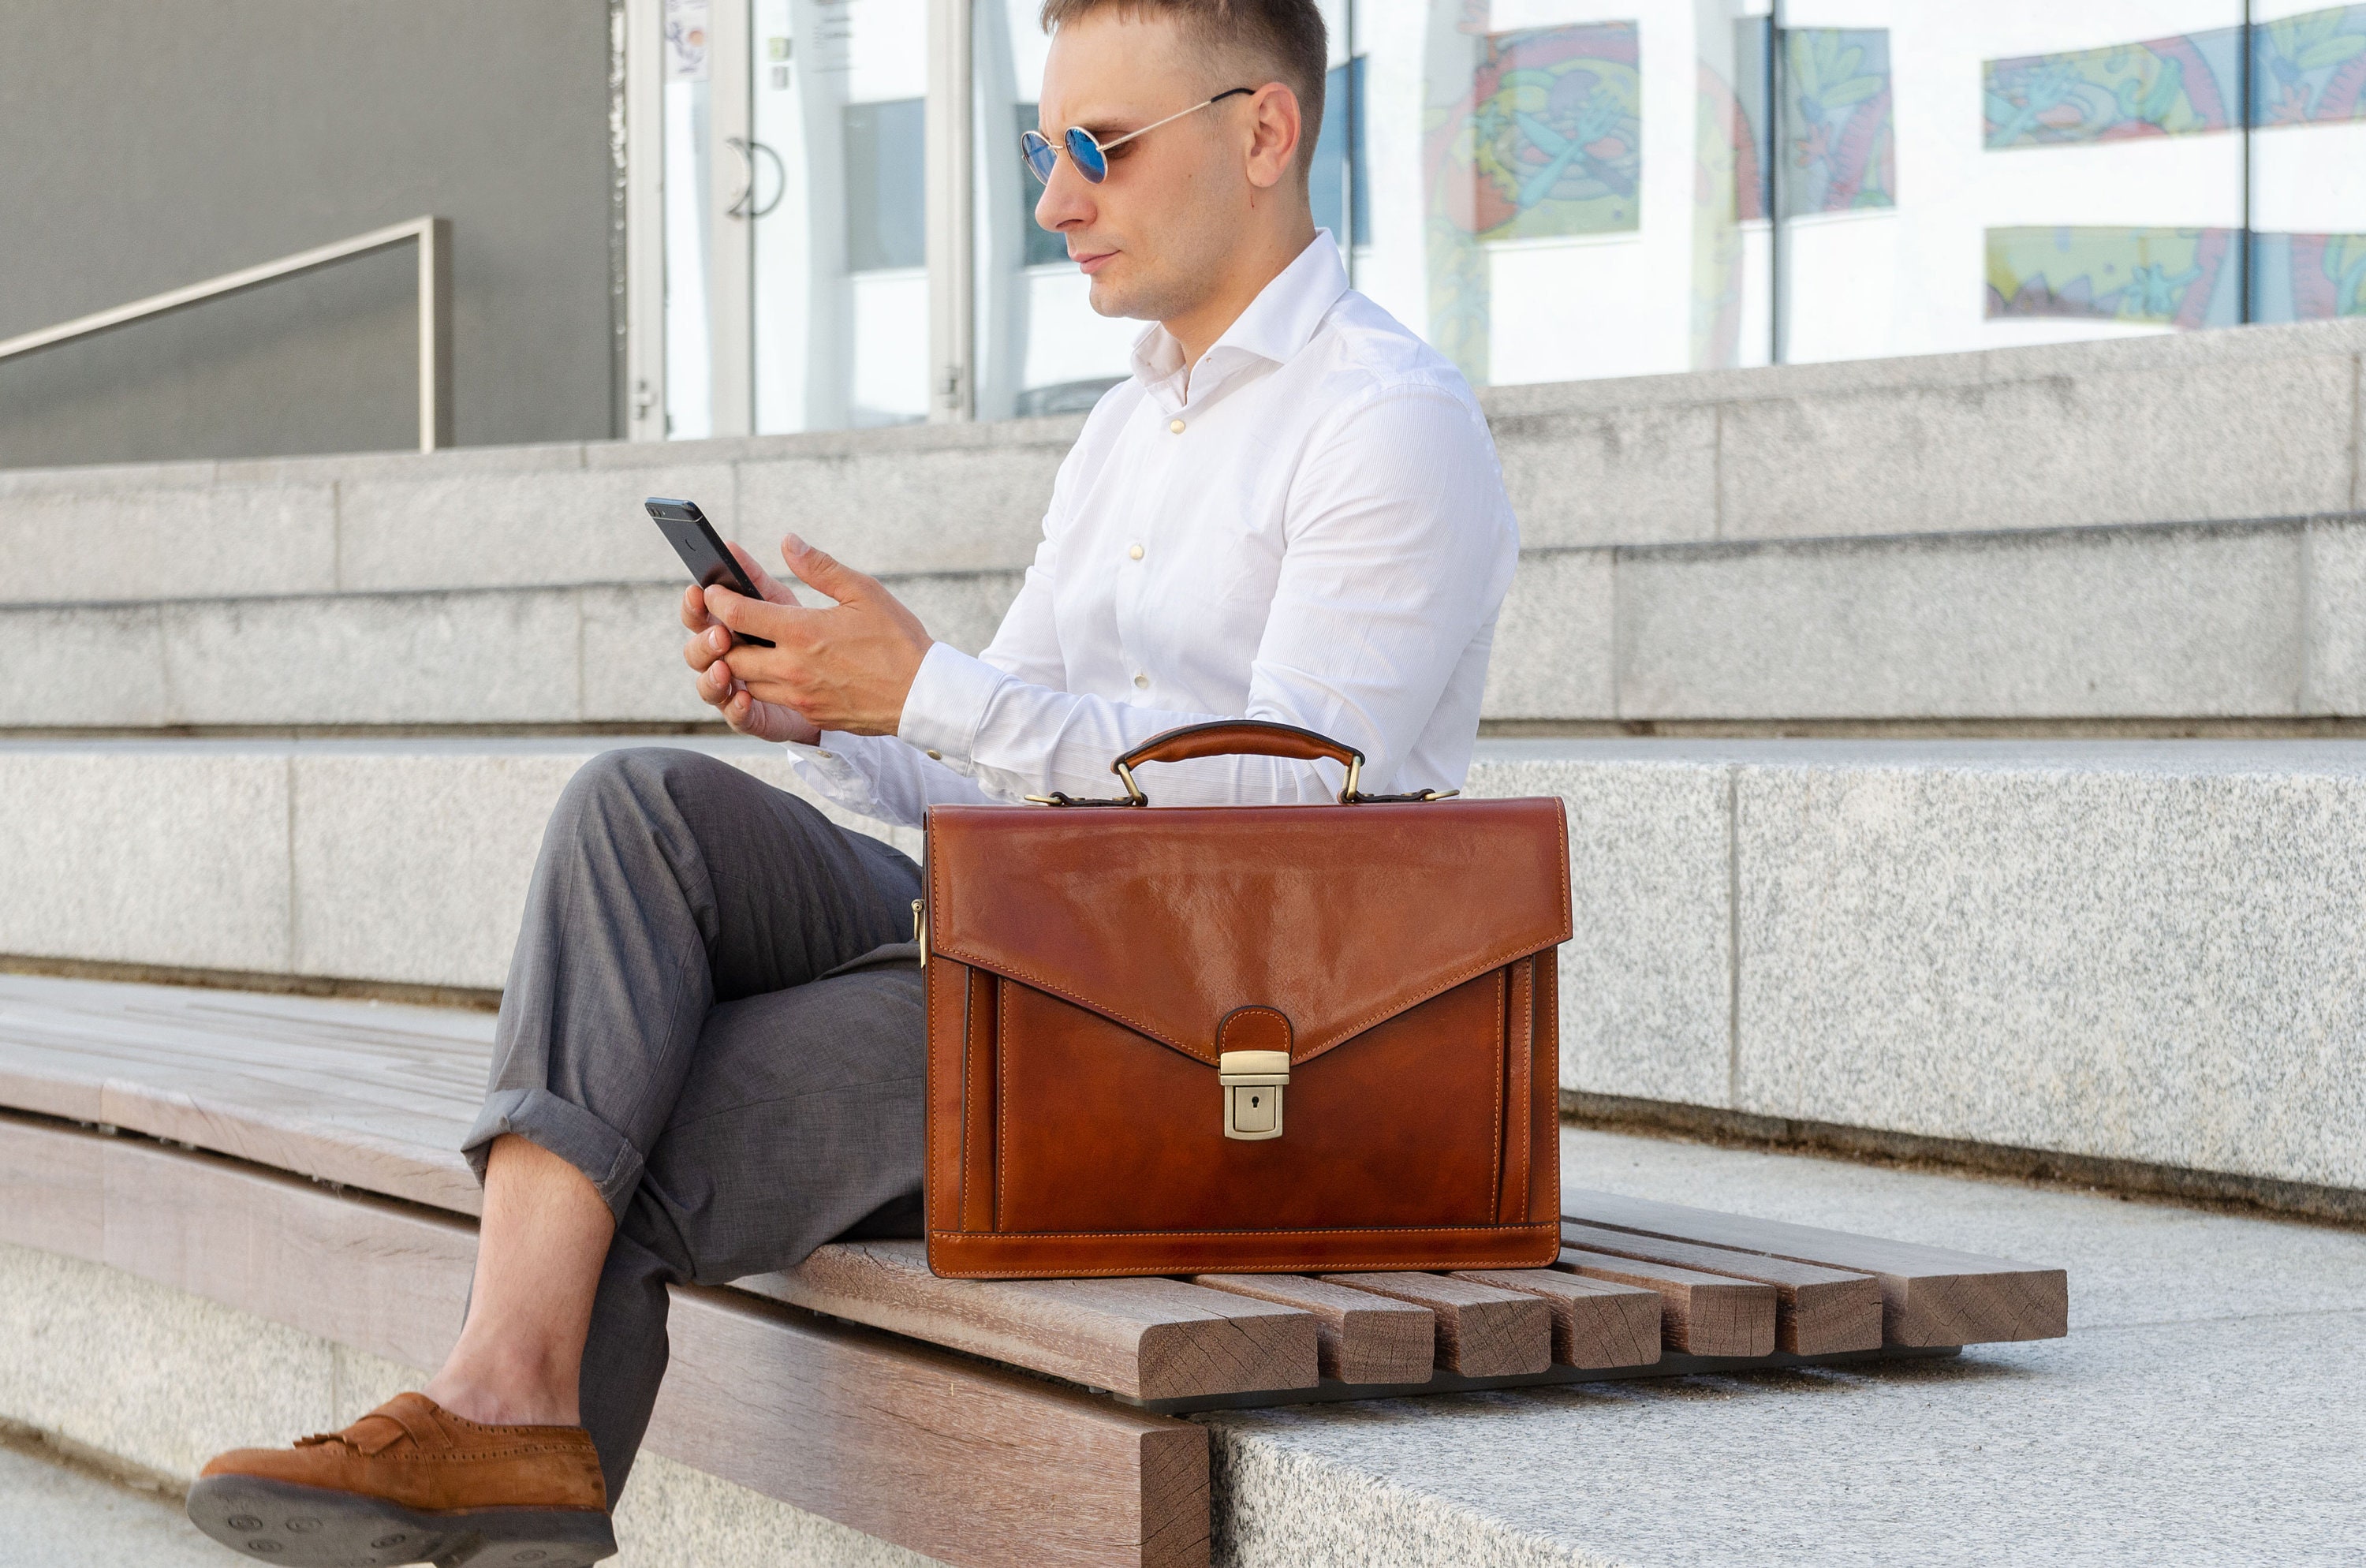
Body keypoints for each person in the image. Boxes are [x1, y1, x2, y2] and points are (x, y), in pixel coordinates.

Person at [188, 1, 1520, 1562]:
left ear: (1264, 132)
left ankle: (506, 1410)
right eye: (1045, 149)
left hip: (1213, 1034)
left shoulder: (1388, 423)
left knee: (613, 1126)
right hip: (1036, 940)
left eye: (1099, 148)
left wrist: (936, 687)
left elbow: (1288, 820)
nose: (1055, 200)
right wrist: (831, 699)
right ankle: (507, 1405)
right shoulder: (1124, 431)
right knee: (642, 807)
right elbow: (995, 774)